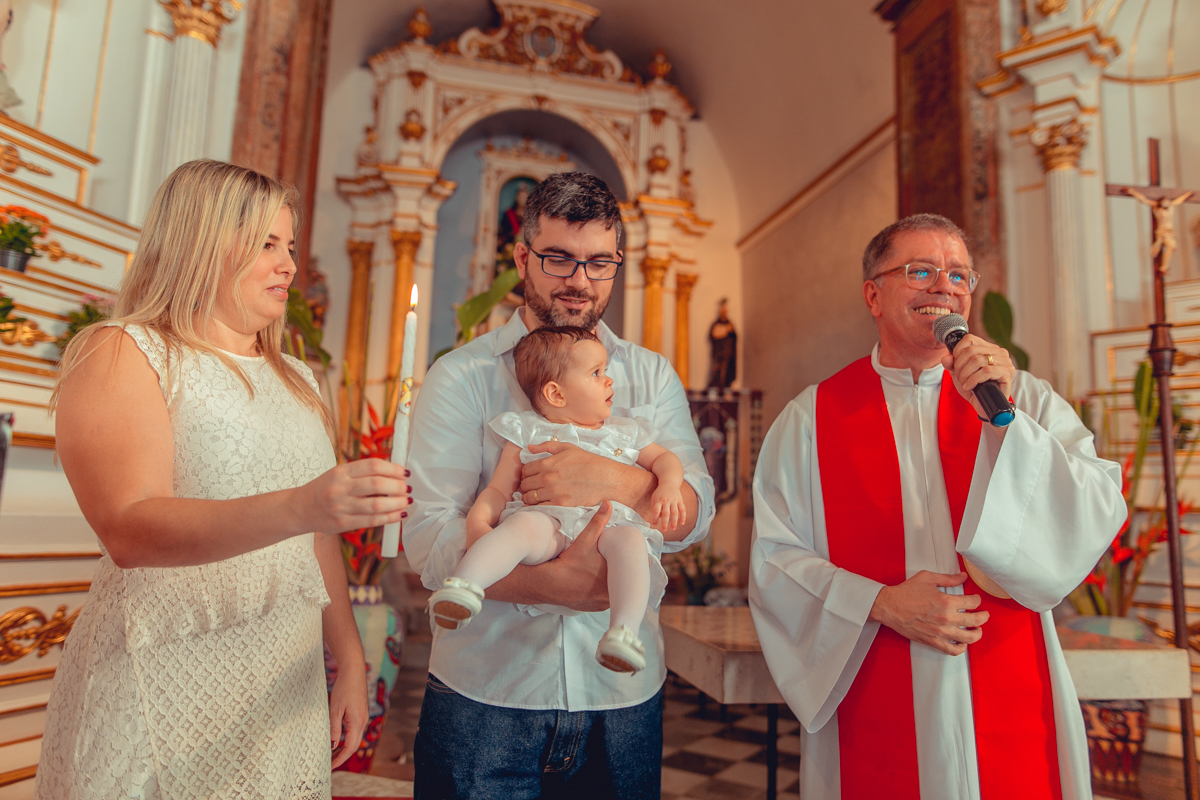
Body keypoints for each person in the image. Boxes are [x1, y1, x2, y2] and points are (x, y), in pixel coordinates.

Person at [35, 160, 409, 800]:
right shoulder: (125, 350)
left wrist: (348, 657)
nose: (289, 265)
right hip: (162, 667)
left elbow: (318, 538)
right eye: (267, 244)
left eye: (289, 246)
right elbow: (129, 527)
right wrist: (303, 505)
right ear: (200, 243)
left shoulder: (297, 377)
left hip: (278, 679)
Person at [748, 213, 1125, 799]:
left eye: (959, 275)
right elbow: (775, 558)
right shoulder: (810, 420)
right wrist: (880, 602)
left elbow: (1095, 507)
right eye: (919, 270)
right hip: (876, 682)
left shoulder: (1023, 399)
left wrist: (1010, 428)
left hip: (1010, 677)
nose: (944, 287)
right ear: (873, 294)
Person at [405, 171, 715, 799]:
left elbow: (696, 516)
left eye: (599, 263)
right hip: (485, 694)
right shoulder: (461, 376)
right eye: (558, 258)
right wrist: (553, 584)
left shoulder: (650, 377)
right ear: (522, 256)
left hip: (620, 701)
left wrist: (614, 479)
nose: (579, 281)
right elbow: (427, 535)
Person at [427, 325, 686, 674]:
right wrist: (478, 521)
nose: (609, 381)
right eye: (596, 373)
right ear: (556, 394)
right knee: (522, 526)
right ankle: (465, 586)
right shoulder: (528, 431)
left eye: (605, 371)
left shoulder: (623, 431)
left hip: (607, 529)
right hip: (548, 526)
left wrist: (668, 485)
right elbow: (499, 490)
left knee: (632, 542)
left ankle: (623, 633)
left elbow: (665, 460)